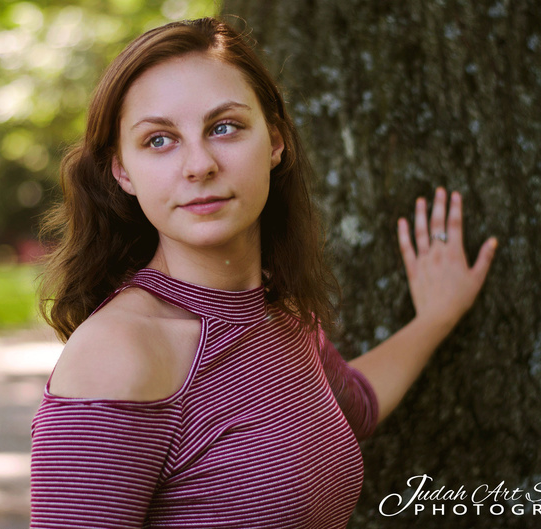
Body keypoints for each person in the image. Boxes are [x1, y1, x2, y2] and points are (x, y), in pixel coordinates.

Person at [31, 17, 497, 529]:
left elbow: (355, 405)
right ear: (123, 171)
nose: (199, 164)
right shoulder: (119, 353)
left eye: (224, 127)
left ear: (274, 141)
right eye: (160, 140)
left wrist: (436, 317)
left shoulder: (281, 309)